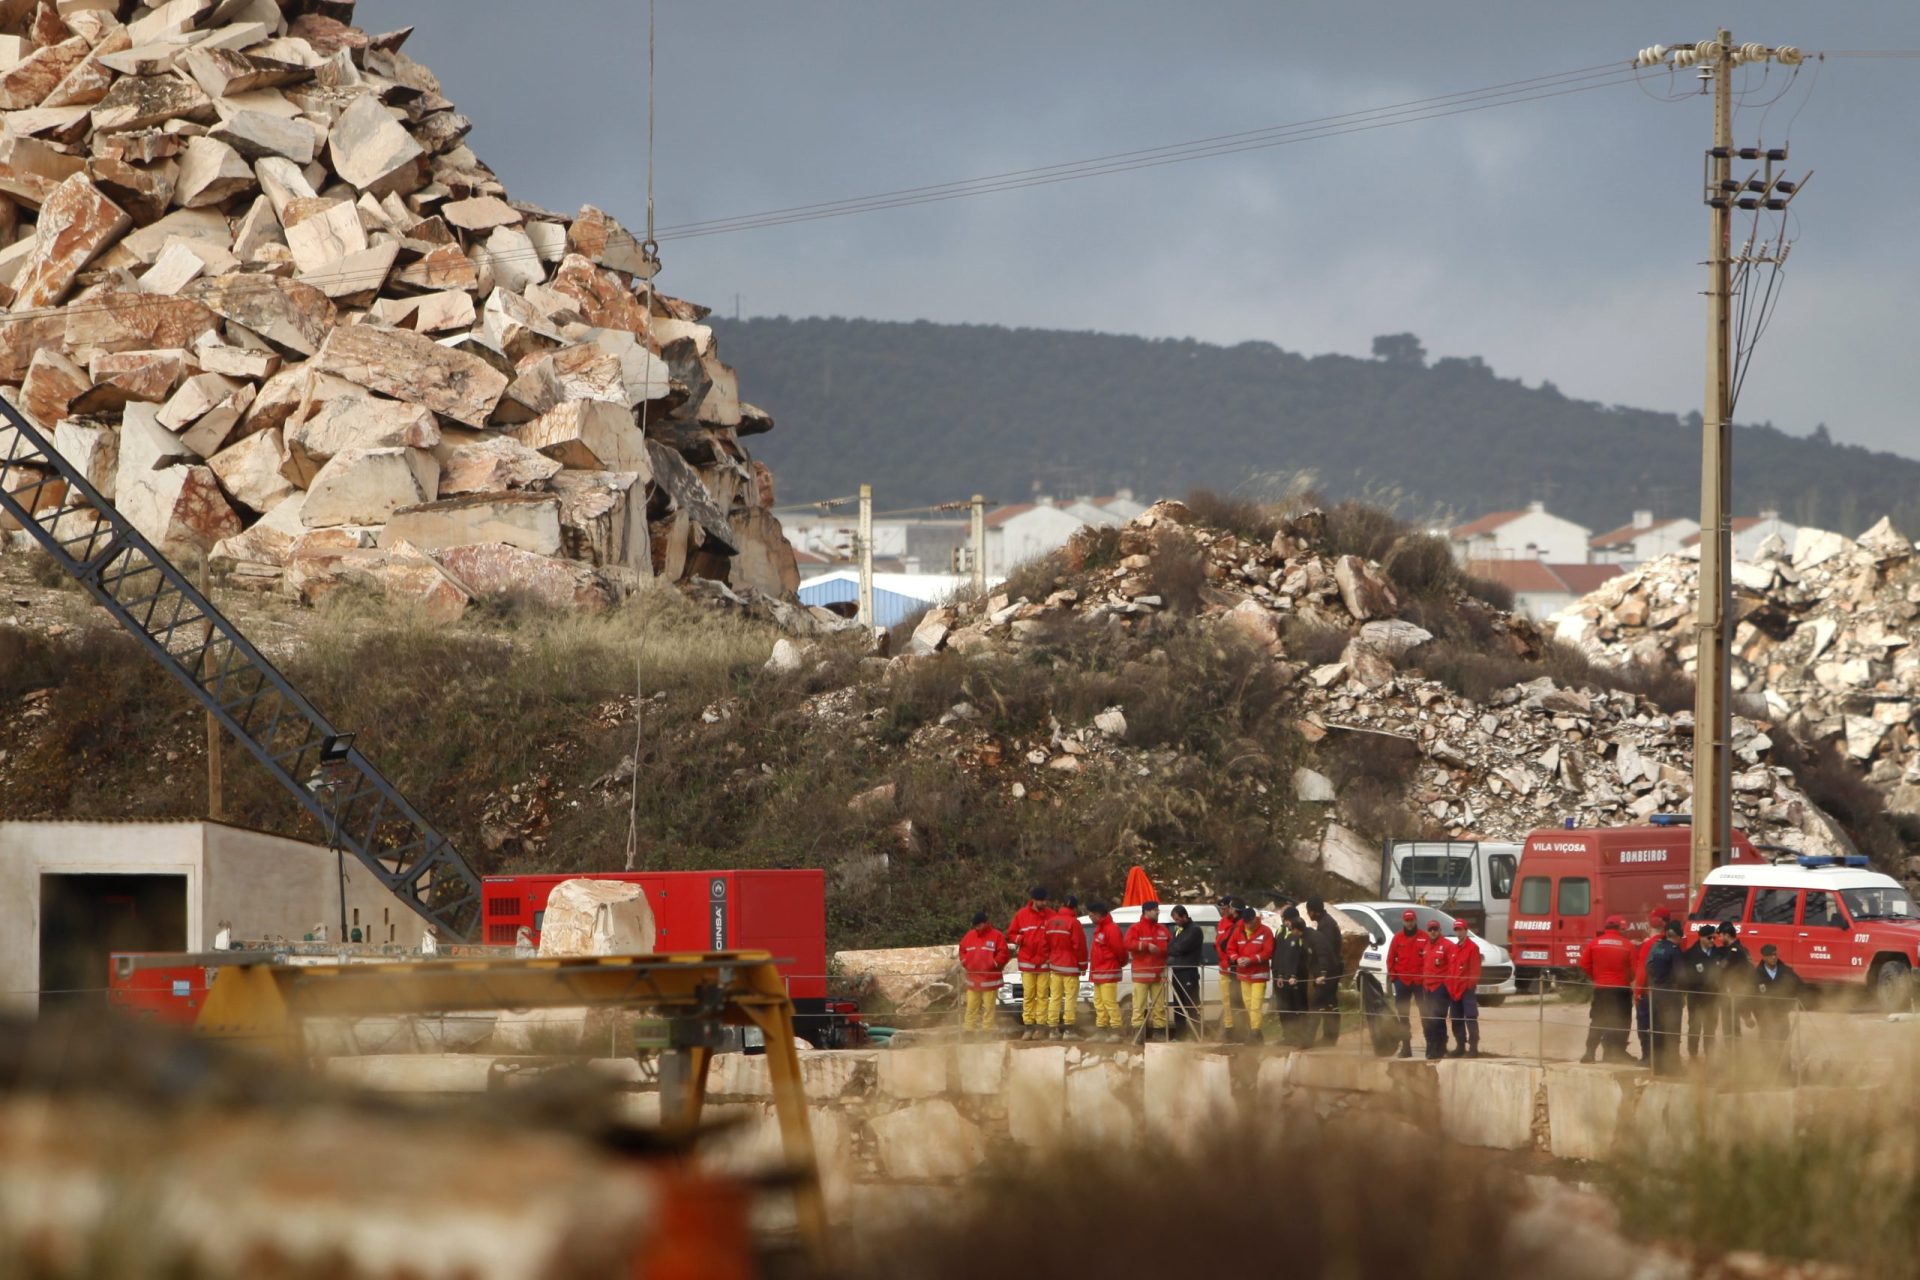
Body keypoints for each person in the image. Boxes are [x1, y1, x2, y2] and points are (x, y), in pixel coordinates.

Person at [1579, 916, 1636, 1064]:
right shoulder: (1627, 945)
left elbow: (1584, 964)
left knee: (1597, 1021)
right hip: (1621, 989)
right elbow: (1635, 969)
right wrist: (1627, 979)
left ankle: (1590, 1053)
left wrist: (1597, 977)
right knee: (1622, 1022)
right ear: (1620, 928)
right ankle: (1616, 1053)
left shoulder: (1594, 943)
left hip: (1601, 989)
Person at [1749, 942, 1804, 1073]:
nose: (1773, 957)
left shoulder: (1786, 971)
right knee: (1767, 1045)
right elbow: (1751, 997)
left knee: (1784, 1045)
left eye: (1775, 954)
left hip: (1781, 1015)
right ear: (1763, 957)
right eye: (1770, 955)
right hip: (1765, 1018)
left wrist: (1791, 1004)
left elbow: (1800, 987)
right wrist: (1752, 1015)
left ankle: (1785, 1073)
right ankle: (1768, 1073)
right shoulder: (1756, 976)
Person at [1641, 918, 1686, 1075]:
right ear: (1677, 936)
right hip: (1671, 995)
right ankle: (1674, 1067)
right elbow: (1681, 975)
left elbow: (1648, 966)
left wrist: (1655, 982)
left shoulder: (1655, 946)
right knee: (1673, 1031)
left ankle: (1658, 1066)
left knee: (1657, 1029)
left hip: (1655, 993)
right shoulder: (1675, 950)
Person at [1009, 887, 1053, 1038]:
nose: (1044, 903)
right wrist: (1020, 939)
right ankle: (1028, 1026)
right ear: (1034, 900)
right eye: (1042, 900)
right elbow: (1011, 933)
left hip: (1045, 963)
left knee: (1042, 995)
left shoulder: (1051, 915)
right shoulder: (1021, 915)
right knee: (1028, 995)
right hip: (1027, 962)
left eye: (1046, 900)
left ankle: (1040, 1026)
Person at [1384, 909, 1428, 1060]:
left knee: (1425, 1013)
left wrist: (1425, 977)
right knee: (1403, 1015)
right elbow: (1390, 959)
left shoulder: (1424, 937)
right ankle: (1406, 1047)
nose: (1409, 923)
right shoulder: (1397, 938)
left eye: (1411, 920)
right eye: (1407, 920)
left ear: (1415, 921)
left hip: (1419, 982)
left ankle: (1430, 1046)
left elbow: (1429, 957)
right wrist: (1394, 977)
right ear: (1403, 921)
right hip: (1402, 981)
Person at [958, 911, 1011, 1035]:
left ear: (986, 923)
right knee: (971, 1006)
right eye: (975, 925)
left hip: (990, 980)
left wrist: (994, 963)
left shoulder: (997, 935)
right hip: (973, 979)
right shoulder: (969, 935)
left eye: (979, 925)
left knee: (989, 1007)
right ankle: (968, 1030)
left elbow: (1003, 953)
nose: (977, 928)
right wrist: (965, 962)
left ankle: (987, 1029)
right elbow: (962, 950)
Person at [1124, 901, 1171, 1038]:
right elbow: (1127, 943)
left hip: (1158, 974)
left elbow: (1170, 945)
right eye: (1155, 910)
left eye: (1158, 910)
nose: (1157, 912)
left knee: (1159, 1007)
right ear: (1146, 911)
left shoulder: (1162, 929)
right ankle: (1138, 1035)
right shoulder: (1135, 928)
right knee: (1138, 1007)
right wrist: (1145, 946)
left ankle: (1160, 1032)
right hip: (1141, 975)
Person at [1633, 907, 1673, 1061]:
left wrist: (1637, 993)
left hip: (1648, 994)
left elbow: (1643, 971)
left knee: (1645, 1027)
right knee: (1663, 1028)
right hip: (1667, 994)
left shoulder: (1649, 945)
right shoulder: (1673, 942)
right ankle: (1664, 1060)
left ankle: (1647, 1059)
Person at [1304, 897, 1344, 1047]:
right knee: (1330, 1003)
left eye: (1309, 911)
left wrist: (1323, 972)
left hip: (1329, 971)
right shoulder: (1326, 922)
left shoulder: (1325, 926)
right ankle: (1330, 1037)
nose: (1308, 914)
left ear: (1314, 911)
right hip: (1333, 969)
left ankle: (1311, 1039)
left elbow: (1325, 951)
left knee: (1318, 1003)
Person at [1230, 906, 1275, 1040]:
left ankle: (1255, 1032)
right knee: (1249, 1004)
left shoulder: (1266, 931)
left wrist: (1252, 959)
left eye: (1250, 922)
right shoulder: (1238, 931)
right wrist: (1237, 959)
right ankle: (1255, 1032)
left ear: (1256, 919)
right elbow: (1231, 948)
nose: (1248, 925)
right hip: (1243, 975)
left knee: (1256, 1005)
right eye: (1246, 922)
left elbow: (1268, 952)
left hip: (1259, 975)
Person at [1043, 895, 1084, 1039]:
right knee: (1070, 998)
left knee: (1054, 997)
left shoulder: (1050, 922)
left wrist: (1050, 958)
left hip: (1055, 966)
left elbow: (1045, 944)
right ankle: (1069, 1030)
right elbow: (1079, 946)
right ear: (1074, 907)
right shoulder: (1074, 923)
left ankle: (1052, 1030)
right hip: (1070, 966)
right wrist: (1083, 964)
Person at [1272, 909, 1314, 1048]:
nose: (1284, 921)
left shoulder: (1299, 934)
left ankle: (1301, 1036)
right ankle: (1288, 1036)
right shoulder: (1280, 932)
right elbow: (1277, 955)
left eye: (1285, 918)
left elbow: (1300, 958)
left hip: (1296, 977)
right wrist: (1277, 973)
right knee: (1284, 1007)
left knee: (1299, 1007)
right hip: (1281, 976)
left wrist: (1294, 975)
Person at [1086, 902, 1128, 1039]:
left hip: (1108, 972)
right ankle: (1101, 1029)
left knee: (1109, 1002)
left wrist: (1119, 964)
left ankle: (1116, 1030)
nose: (1090, 917)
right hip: (1098, 972)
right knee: (1098, 1002)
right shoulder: (1100, 929)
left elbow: (1120, 951)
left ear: (1098, 915)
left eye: (1091, 914)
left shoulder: (1111, 929)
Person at [1417, 918, 1454, 1060]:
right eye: (1430, 929)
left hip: (1440, 987)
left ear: (1440, 930)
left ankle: (1440, 1047)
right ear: (1428, 931)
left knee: (1438, 1018)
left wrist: (1447, 985)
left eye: (1435, 929)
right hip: (1427, 987)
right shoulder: (1426, 946)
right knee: (1428, 1019)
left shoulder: (1447, 945)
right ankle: (1432, 1046)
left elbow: (1452, 966)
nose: (1433, 932)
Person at [1445, 919, 1483, 1058]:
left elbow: (1475, 971)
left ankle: (1473, 1047)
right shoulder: (1454, 949)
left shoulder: (1472, 948)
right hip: (1454, 989)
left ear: (1466, 930)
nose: (1459, 932)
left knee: (1471, 1017)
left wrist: (1469, 986)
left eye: (1461, 929)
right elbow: (1450, 969)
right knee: (1456, 1018)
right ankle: (1460, 1045)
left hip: (1466, 990)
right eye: (1456, 929)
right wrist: (1450, 985)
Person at [1680, 922, 1717, 1060]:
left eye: (1714, 937)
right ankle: (1693, 1056)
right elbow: (1684, 977)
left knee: (1710, 1028)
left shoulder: (1717, 953)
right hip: (1696, 997)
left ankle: (1709, 1055)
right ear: (1700, 937)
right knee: (1695, 1027)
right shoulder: (1690, 955)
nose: (1712, 940)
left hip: (1713, 998)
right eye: (1709, 938)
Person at [1165, 905, 1203, 1038]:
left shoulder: (1195, 930)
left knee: (1191, 1004)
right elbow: (1170, 946)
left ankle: (1196, 1034)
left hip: (1189, 971)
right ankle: (1180, 1035)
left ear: (1185, 916)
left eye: (1177, 919)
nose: (1176, 922)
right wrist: (1172, 949)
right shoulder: (1178, 930)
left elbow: (1180, 948)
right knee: (1178, 1005)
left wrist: (1173, 949)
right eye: (1174, 920)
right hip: (1177, 970)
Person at [1711, 923, 1749, 1052]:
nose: (1719, 938)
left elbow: (1723, 967)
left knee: (1730, 1026)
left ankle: (1733, 1056)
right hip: (1731, 992)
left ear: (1727, 935)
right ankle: (1733, 1054)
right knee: (1731, 1025)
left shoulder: (1735, 950)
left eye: (1720, 935)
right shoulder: (1735, 948)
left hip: (1732, 993)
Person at [1215, 896, 1245, 1038]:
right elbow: (1219, 944)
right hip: (1223, 967)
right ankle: (1229, 1027)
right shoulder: (1221, 923)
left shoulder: (1238, 924)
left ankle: (1240, 1029)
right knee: (1226, 1000)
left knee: (1238, 999)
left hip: (1233, 968)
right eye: (1220, 909)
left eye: (1225, 908)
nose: (1223, 911)